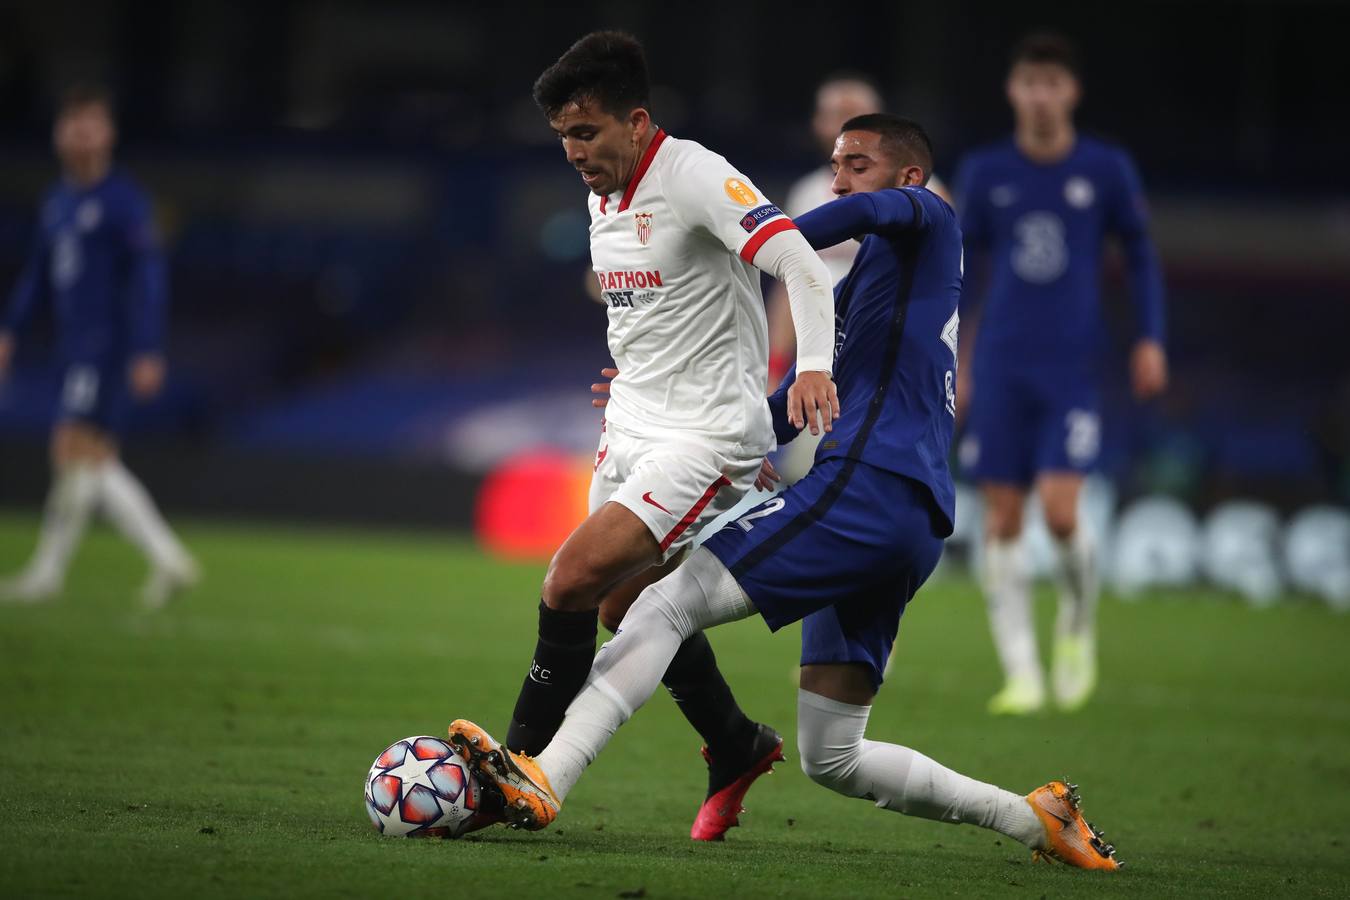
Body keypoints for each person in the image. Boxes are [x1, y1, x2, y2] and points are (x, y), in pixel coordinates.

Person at [446, 114, 1122, 872]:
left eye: (856, 164)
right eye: (834, 165)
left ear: (908, 176)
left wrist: (753, 231)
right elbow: (790, 405)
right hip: (909, 518)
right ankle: (1037, 818)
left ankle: (549, 774)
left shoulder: (929, 213)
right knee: (833, 754)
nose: (839, 180)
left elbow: (858, 214)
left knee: (660, 602)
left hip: (870, 488)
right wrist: (667, 393)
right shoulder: (880, 284)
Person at [498, 31, 840, 841]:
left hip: (707, 439)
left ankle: (509, 772)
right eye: (563, 139)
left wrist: (815, 365)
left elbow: (800, 262)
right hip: (633, 423)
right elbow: (656, 305)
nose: (574, 152)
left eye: (586, 133)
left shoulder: (694, 176)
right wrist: (636, 375)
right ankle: (734, 742)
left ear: (637, 121)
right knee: (624, 603)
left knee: (569, 579)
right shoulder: (601, 191)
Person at [953, 33, 1167, 715]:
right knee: (1003, 517)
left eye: (1052, 83)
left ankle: (1077, 623)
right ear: (1013, 90)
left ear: (1070, 92)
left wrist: (1150, 339)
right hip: (1001, 364)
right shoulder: (986, 171)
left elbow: (1140, 257)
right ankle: (1022, 673)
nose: (1040, 95)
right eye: (1029, 82)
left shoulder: (1105, 169)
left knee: (1063, 511)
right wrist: (954, 353)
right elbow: (956, 274)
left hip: (1071, 365)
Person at [0, 84, 197, 609]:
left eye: (90, 125)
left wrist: (147, 347)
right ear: (59, 133)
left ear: (107, 134)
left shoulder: (125, 203)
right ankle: (167, 557)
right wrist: (10, 330)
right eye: (73, 125)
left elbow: (148, 275)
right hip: (72, 345)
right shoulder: (58, 202)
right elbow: (38, 277)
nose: (81, 136)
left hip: (105, 347)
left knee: (72, 449)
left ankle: (48, 575)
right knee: (91, 460)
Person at [765, 76, 953, 485]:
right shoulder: (810, 192)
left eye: (852, 113)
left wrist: (752, 242)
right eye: (832, 113)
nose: (841, 123)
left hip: (896, 365)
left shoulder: (927, 193)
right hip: (825, 351)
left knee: (866, 474)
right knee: (802, 471)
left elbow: (865, 212)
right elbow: (791, 289)